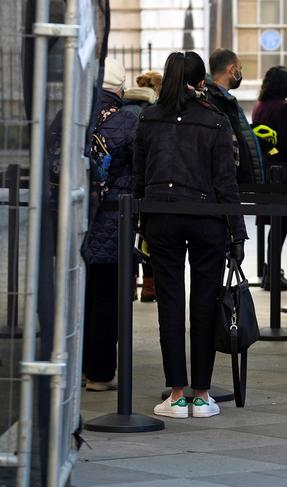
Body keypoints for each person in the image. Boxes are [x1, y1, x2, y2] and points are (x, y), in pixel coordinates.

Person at [133, 51, 247, 419]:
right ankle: (202, 393)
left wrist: (140, 221)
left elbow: (139, 175)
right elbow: (226, 182)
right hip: (207, 217)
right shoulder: (215, 120)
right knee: (204, 302)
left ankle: (176, 392)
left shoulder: (149, 118)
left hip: (162, 214)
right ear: (202, 82)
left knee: (169, 302)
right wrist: (237, 234)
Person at [82, 58, 138, 391]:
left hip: (75, 223)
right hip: (114, 221)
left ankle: (74, 364)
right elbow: (139, 170)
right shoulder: (127, 122)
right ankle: (100, 374)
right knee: (107, 301)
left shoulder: (71, 118)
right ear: (118, 89)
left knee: (78, 299)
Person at [252, 66, 287, 291]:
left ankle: (270, 270)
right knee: (280, 225)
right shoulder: (283, 108)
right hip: (283, 174)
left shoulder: (259, 107)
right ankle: (273, 272)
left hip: (265, 172)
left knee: (275, 225)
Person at [122, 70, 162, 302]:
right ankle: (149, 287)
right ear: (157, 89)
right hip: (144, 183)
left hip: (122, 184)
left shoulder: (123, 108)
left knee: (128, 236)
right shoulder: (152, 113)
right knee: (147, 237)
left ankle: (129, 284)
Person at [207, 48, 264, 184]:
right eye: (239, 68)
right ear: (231, 69)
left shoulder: (221, 98)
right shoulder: (220, 101)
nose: (240, 73)